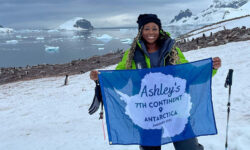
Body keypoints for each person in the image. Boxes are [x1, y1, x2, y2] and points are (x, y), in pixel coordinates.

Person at [90, 14, 221, 150]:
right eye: (147, 29)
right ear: (141, 31)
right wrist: (100, 78)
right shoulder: (131, 54)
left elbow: (188, 73)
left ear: (160, 30)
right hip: (147, 111)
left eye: (154, 28)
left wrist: (210, 68)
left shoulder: (172, 50)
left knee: (188, 146)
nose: (151, 32)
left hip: (173, 106)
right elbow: (120, 79)